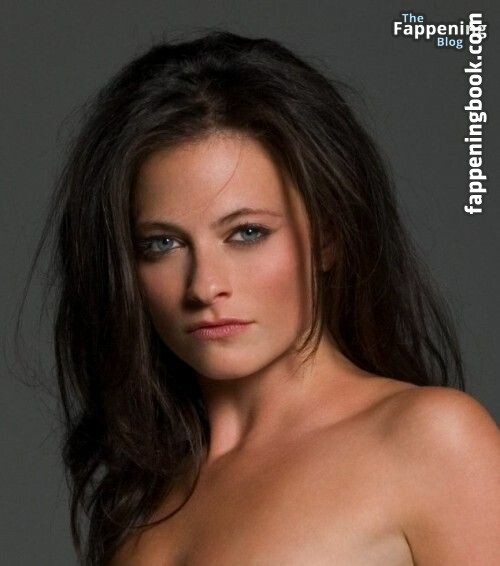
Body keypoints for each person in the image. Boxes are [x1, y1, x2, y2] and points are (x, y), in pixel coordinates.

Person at [24, 30, 499, 565]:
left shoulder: (430, 441)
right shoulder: (141, 499)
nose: (204, 287)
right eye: (163, 244)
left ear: (328, 235)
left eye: (247, 233)